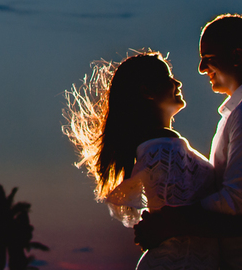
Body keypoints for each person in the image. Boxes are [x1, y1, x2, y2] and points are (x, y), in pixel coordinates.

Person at [134, 14, 242, 269]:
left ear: (237, 57)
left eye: (208, 59)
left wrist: (171, 220)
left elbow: (236, 200)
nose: (201, 69)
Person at [64, 51, 220, 269]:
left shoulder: (158, 147)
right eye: (168, 77)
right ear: (147, 92)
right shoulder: (162, 149)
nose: (177, 82)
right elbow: (179, 222)